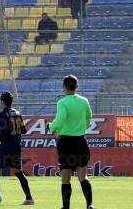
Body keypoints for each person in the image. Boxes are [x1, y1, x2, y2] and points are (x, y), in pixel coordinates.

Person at [47, 75, 95, 209]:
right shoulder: (84, 101)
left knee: (66, 178)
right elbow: (89, 116)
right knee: (83, 177)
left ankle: (66, 207)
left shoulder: (62, 102)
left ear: (63, 87)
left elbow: (61, 118)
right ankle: (90, 204)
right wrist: (83, 127)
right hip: (81, 141)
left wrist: (51, 127)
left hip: (66, 143)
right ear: (76, 87)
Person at [0, 92, 34, 206]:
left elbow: (5, 134)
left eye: (0, 100)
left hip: (7, 147)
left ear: (3, 101)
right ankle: (29, 198)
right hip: (17, 146)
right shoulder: (17, 113)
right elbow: (23, 130)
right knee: (18, 172)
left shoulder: (2, 115)